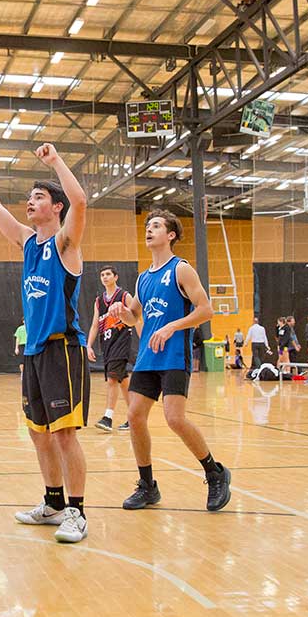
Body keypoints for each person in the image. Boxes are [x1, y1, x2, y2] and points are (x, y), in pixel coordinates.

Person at [0, 133, 90, 543]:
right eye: (30, 198)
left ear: (55, 208)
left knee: (64, 433)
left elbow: (81, 201)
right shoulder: (27, 242)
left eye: (38, 197)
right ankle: (53, 503)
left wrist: (56, 162)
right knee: (38, 432)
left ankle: (78, 512)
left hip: (62, 347)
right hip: (34, 351)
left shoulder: (66, 244)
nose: (30, 203)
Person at [111, 209, 231, 513]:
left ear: (171, 235)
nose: (148, 230)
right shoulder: (143, 278)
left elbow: (206, 311)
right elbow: (133, 315)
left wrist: (171, 325)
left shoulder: (181, 269)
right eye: (147, 226)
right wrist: (122, 315)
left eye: (155, 226)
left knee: (174, 418)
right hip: (147, 358)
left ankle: (214, 472)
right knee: (135, 416)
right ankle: (148, 486)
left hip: (175, 355)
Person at [88, 266, 133, 432]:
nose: (104, 277)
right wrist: (88, 345)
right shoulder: (99, 301)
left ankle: (108, 417)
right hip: (107, 344)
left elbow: (137, 315)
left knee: (112, 379)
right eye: (102, 275)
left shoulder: (124, 295)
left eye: (108, 274)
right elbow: (94, 325)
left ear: (116, 277)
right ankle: (134, 416)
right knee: (122, 380)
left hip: (121, 342)